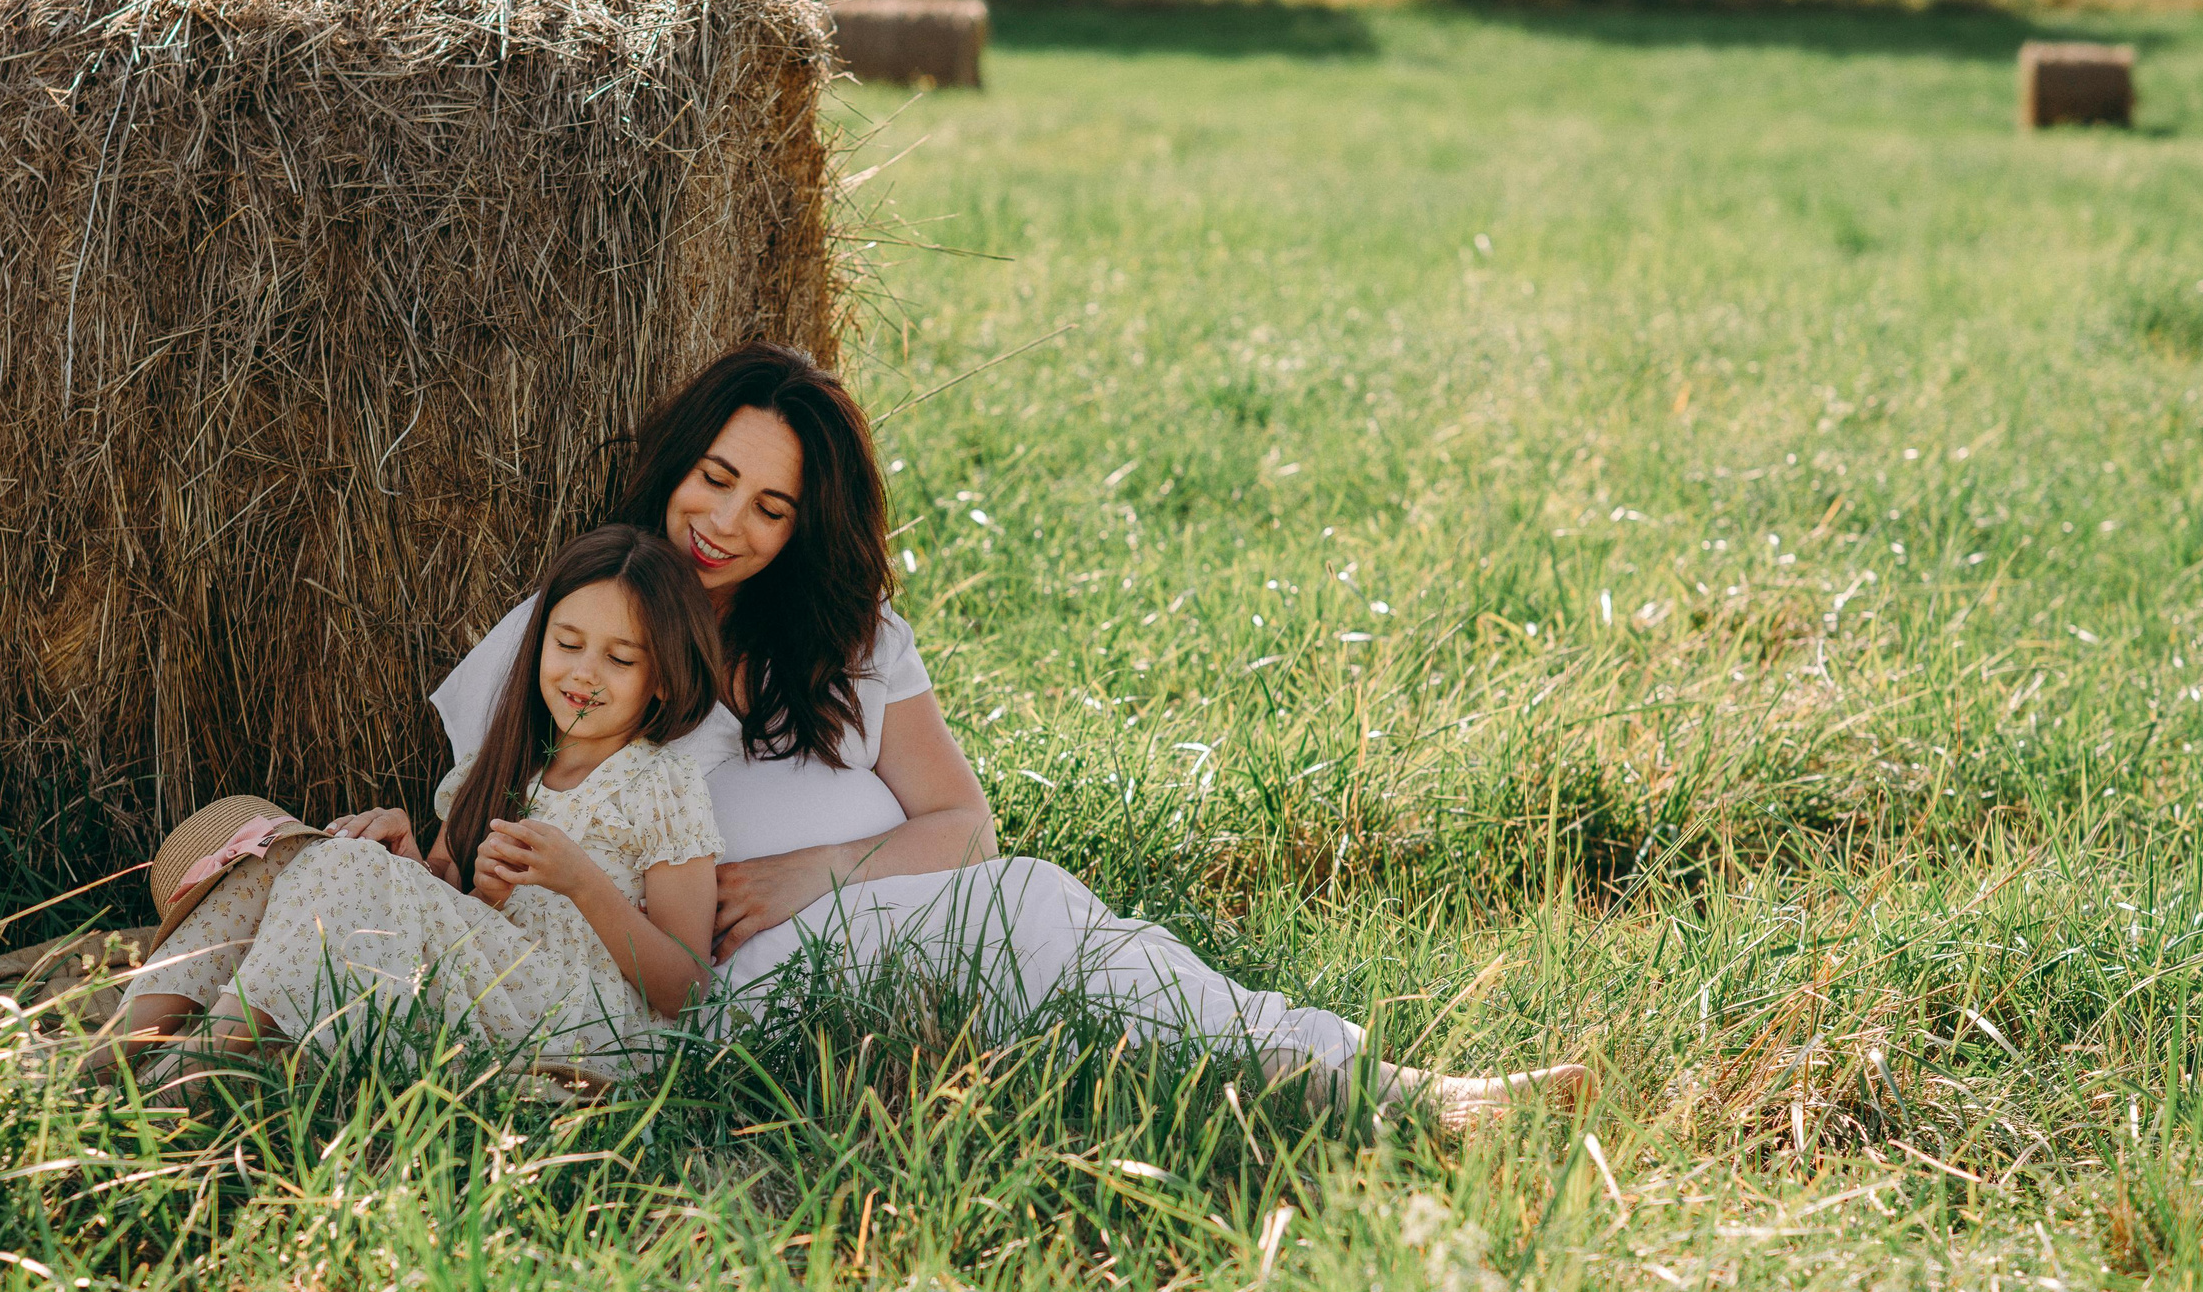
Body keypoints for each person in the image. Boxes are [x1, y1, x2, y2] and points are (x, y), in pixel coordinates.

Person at [347, 344, 1587, 1129]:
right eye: (714, 478)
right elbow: (487, 836)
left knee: (1066, 937)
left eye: (770, 506)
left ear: (801, 528)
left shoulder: (848, 637)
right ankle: (1385, 1094)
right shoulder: (571, 628)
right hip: (727, 983)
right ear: (676, 462)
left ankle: (1353, 1085)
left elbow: (960, 821)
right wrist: (402, 856)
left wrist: (812, 872)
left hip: (890, 917)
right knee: (1041, 912)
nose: (726, 523)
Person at [99, 526, 727, 1077]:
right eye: (567, 644)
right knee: (289, 854)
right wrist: (412, 865)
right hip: (475, 998)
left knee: (345, 864)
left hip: (583, 1029)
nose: (584, 673)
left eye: (619, 658)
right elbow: (441, 917)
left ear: (664, 678)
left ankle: (183, 1077)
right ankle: (106, 1055)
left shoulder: (662, 786)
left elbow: (688, 991)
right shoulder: (496, 767)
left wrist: (582, 883)